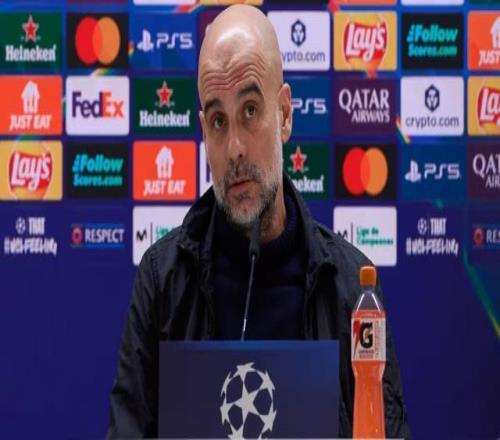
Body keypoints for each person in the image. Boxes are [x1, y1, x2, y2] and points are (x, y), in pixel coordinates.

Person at [107, 5, 410, 438]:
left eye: (250, 111)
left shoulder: (349, 288)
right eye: (218, 122)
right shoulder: (163, 281)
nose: (235, 148)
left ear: (284, 115)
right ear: (203, 133)